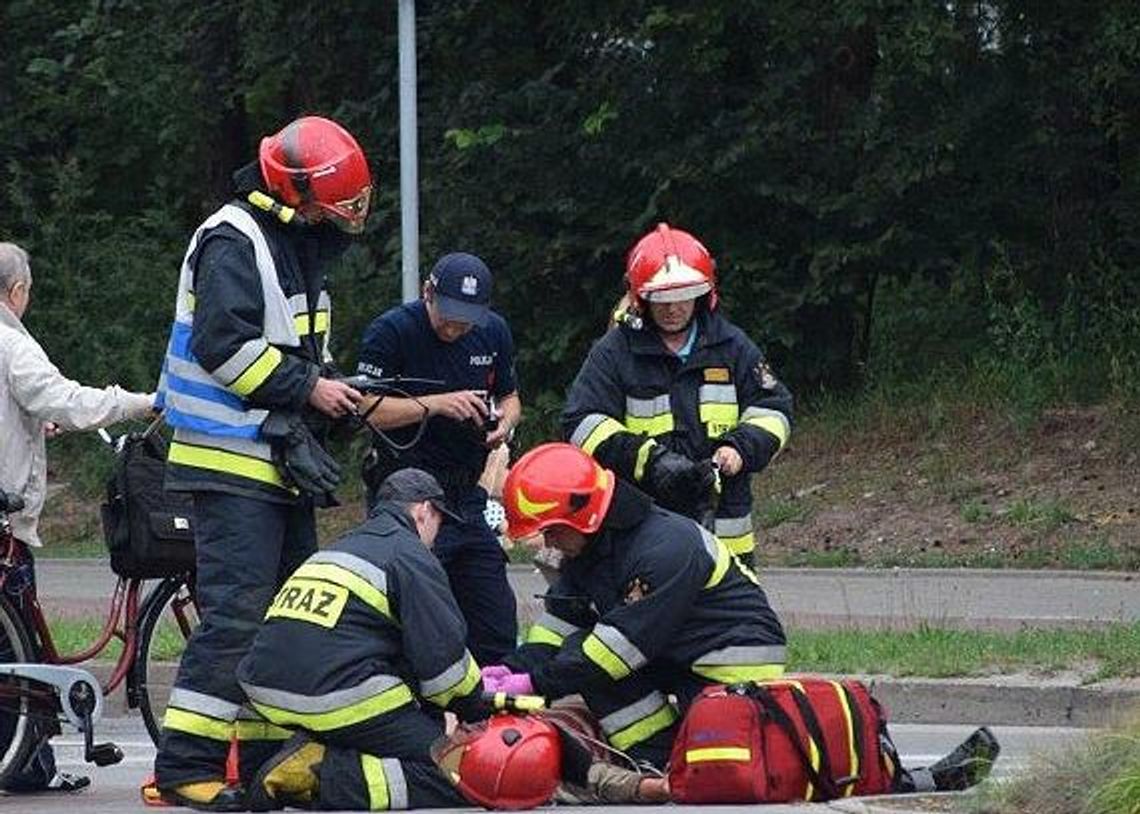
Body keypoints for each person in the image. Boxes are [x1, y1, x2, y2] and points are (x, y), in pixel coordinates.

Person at [152, 115, 370, 810]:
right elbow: (226, 346)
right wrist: (311, 387)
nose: (338, 222)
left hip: (274, 462)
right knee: (237, 618)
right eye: (329, 207)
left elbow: (298, 345)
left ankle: (265, 765)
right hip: (229, 460)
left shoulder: (293, 242)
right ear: (293, 190)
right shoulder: (232, 239)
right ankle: (187, 767)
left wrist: (332, 388)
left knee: (285, 623)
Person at [485, 442, 788, 770]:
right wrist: (513, 668)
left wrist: (536, 683)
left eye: (551, 531)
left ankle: (662, 760)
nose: (548, 543)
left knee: (595, 663)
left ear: (583, 515)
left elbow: (615, 652)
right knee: (581, 655)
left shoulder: (665, 547)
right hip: (677, 653)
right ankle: (659, 755)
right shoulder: (592, 548)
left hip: (732, 666)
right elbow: (558, 627)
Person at [0, 241, 155, 793]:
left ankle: (27, 763)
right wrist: (138, 403)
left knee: (15, 644)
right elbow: (63, 397)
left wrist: (28, 421)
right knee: (18, 652)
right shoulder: (11, 343)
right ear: (18, 292)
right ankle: (27, 768)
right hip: (3, 520)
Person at [236, 468, 484, 811]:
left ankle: (288, 761)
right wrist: (476, 706)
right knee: (464, 772)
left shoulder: (334, 550)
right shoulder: (410, 555)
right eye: (440, 522)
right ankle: (323, 774)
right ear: (423, 511)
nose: (437, 536)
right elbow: (443, 665)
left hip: (264, 698)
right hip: (335, 699)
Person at [562, 223, 794, 561]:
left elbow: (774, 408)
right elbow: (580, 423)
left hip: (724, 520)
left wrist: (739, 448)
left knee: (732, 611)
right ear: (641, 297)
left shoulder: (731, 346)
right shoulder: (615, 352)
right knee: (654, 607)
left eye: (683, 297)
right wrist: (649, 461)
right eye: (662, 299)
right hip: (645, 512)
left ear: (703, 294)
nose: (673, 309)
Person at [355, 252, 521, 665]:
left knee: (495, 615)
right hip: (407, 496)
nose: (455, 327)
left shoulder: (494, 332)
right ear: (427, 293)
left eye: (467, 320)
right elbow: (364, 407)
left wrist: (504, 425)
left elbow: (511, 396)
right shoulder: (392, 331)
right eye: (447, 315)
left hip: (467, 495)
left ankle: (494, 708)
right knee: (415, 616)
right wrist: (437, 405)